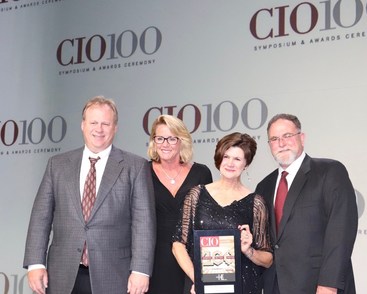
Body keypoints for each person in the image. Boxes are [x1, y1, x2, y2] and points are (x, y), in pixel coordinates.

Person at [23, 96, 156, 294]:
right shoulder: (57, 164)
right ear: (83, 125)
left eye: (105, 123)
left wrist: (140, 270)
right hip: (62, 274)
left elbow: (143, 222)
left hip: (114, 275)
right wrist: (35, 264)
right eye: (93, 122)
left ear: (115, 127)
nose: (99, 129)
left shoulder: (135, 166)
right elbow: (40, 217)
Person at [255, 113, 358, 294]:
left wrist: (328, 284)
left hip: (318, 286)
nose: (281, 143)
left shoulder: (329, 172)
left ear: (302, 138)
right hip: (275, 286)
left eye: (287, 136)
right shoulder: (264, 186)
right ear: (269, 145)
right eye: (274, 139)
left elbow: (341, 231)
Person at [172, 132, 273, 294]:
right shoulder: (196, 195)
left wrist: (249, 250)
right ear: (219, 158)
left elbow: (268, 259)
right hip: (200, 287)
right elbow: (178, 245)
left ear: (246, 164)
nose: (230, 163)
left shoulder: (256, 203)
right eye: (226, 157)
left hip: (243, 287)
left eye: (237, 159)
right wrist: (198, 280)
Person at [147, 114, 213, 294]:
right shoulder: (143, 173)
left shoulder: (201, 173)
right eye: (160, 138)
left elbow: (207, 222)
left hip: (190, 261)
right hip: (154, 261)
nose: (165, 144)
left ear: (181, 141)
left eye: (171, 138)